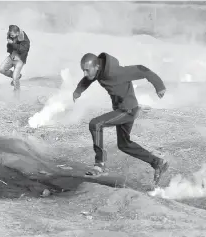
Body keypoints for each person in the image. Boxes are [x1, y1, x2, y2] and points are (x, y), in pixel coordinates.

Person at [72, 52, 170, 185]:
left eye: (87, 70)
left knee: (96, 124)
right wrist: (78, 91)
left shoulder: (116, 72)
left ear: (97, 67)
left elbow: (142, 69)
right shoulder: (98, 71)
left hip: (127, 110)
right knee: (124, 144)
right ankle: (158, 162)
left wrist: (159, 86)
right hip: (124, 110)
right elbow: (88, 79)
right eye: (83, 70)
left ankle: (99, 164)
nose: (85, 74)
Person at [0, 25, 30, 92]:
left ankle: (17, 97)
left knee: (15, 78)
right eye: (10, 34)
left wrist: (12, 43)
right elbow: (9, 44)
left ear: (18, 33)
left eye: (12, 35)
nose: (10, 36)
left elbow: (23, 50)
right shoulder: (10, 34)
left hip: (20, 59)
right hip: (12, 56)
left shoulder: (25, 39)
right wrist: (10, 42)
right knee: (1, 69)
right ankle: (18, 76)